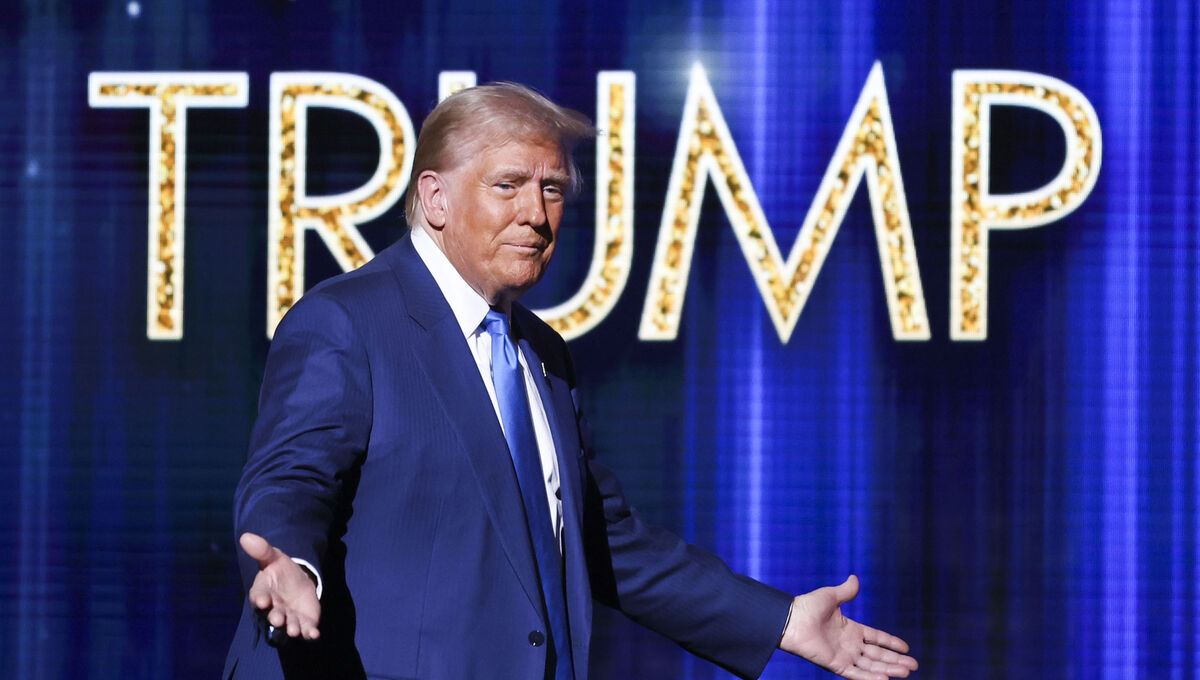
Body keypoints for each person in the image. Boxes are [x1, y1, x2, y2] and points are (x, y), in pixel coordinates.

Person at [222, 82, 918, 680]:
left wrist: (782, 621)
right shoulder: (347, 321)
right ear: (434, 198)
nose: (536, 213)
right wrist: (289, 565)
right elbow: (290, 480)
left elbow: (601, 541)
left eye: (552, 189)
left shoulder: (542, 352)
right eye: (509, 186)